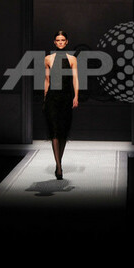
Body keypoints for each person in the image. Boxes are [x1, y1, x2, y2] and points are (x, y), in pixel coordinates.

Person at [43, 30, 79, 179]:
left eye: (62, 40)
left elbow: (75, 78)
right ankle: (58, 167)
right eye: (58, 40)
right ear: (54, 42)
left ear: (66, 42)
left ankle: (59, 162)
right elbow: (47, 80)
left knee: (63, 132)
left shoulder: (72, 59)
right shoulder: (48, 58)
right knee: (54, 131)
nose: (60, 42)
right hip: (52, 98)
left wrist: (76, 96)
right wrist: (44, 98)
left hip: (66, 97)